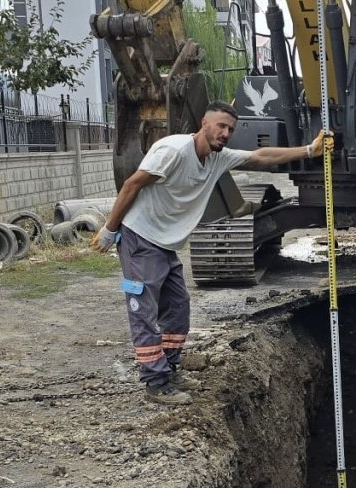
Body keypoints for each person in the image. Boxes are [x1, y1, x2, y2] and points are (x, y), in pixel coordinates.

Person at [94, 100, 323, 405]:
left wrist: (309, 150)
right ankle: (156, 382)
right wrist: (110, 230)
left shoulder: (218, 158)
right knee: (143, 310)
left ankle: (170, 368)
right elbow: (132, 184)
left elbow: (261, 156)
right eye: (221, 126)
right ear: (204, 122)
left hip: (166, 244)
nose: (226, 133)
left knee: (178, 307)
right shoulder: (172, 151)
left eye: (230, 129)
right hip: (140, 239)